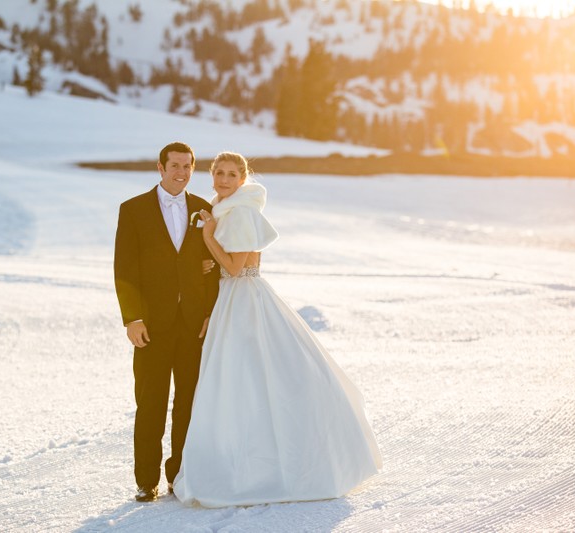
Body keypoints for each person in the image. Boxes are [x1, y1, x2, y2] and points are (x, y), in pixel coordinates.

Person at [173, 152, 382, 507]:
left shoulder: (238, 212)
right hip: (231, 299)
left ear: (243, 179)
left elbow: (236, 268)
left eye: (232, 174)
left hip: (243, 299)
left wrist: (209, 237)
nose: (224, 179)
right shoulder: (227, 207)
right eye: (219, 173)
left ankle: (258, 470)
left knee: (246, 377)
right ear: (212, 176)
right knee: (241, 380)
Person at [113, 142, 220, 502]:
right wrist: (133, 318)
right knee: (151, 402)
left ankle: (179, 475)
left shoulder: (204, 210)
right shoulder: (133, 210)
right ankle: (146, 479)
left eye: (188, 166)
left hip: (192, 324)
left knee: (189, 403)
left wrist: (208, 311)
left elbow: (213, 267)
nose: (182, 172)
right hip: (152, 326)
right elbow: (124, 269)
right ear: (160, 167)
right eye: (175, 165)